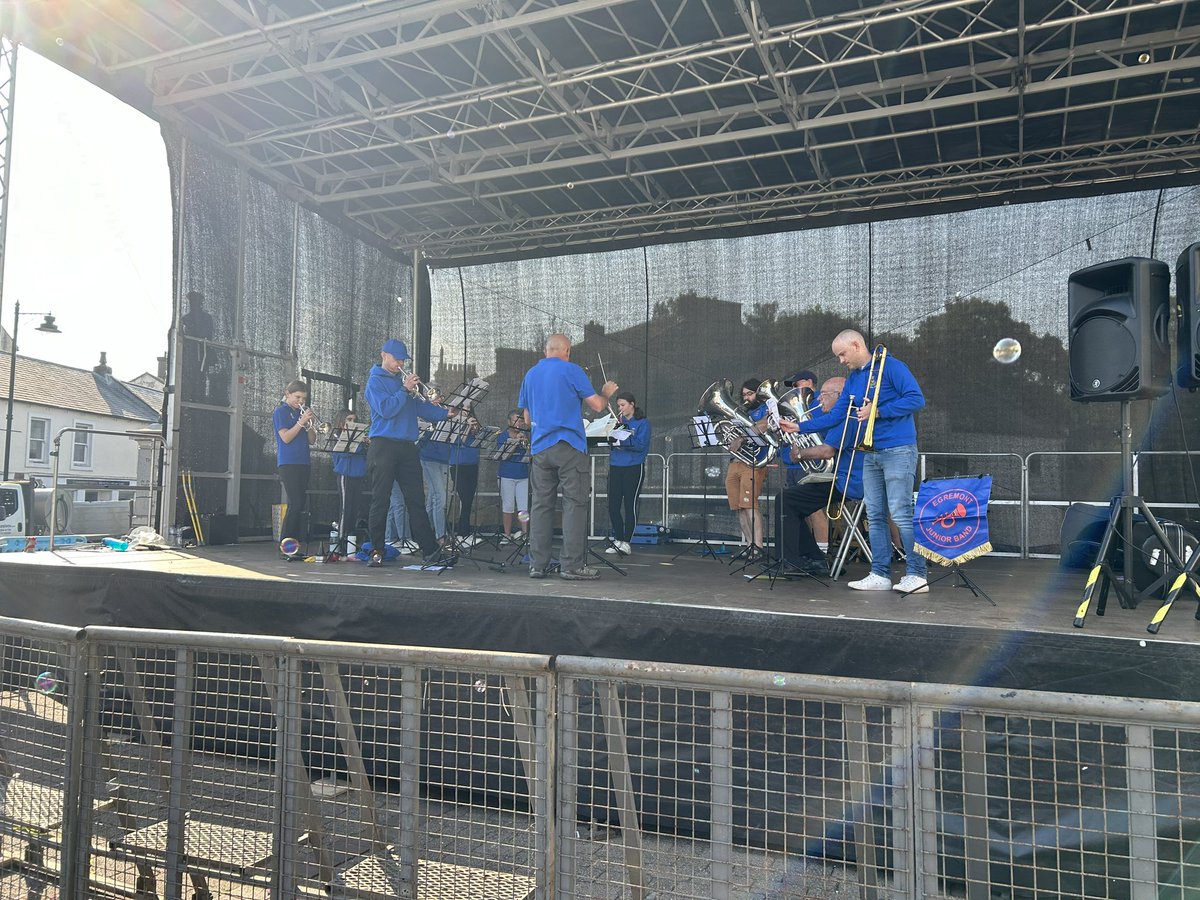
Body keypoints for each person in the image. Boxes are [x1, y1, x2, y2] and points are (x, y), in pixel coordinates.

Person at [794, 329, 927, 593]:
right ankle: (880, 573)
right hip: (868, 452)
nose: (841, 360)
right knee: (875, 515)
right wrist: (798, 428)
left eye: (842, 354)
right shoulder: (854, 378)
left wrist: (877, 411)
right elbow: (837, 416)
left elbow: (916, 399)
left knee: (900, 512)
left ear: (856, 345)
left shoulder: (892, 366)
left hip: (898, 448)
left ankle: (917, 574)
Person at [518, 333, 618, 581]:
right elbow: (596, 405)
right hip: (569, 446)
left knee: (541, 505)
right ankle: (571, 565)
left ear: (545, 350)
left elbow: (527, 419)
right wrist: (606, 392)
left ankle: (537, 565)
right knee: (574, 503)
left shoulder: (530, 374)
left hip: (540, 447)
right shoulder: (571, 370)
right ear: (567, 351)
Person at [365, 339, 454, 567]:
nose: (400, 363)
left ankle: (430, 550)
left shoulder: (403, 384)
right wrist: (404, 389)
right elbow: (386, 410)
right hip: (383, 445)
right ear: (384, 355)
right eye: (397, 358)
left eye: (403, 359)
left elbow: (420, 409)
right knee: (381, 500)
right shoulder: (375, 382)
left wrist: (446, 413)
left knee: (416, 500)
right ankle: (377, 551)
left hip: (407, 447)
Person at [778, 376, 852, 575]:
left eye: (825, 396)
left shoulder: (844, 417)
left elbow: (827, 452)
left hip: (845, 481)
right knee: (788, 500)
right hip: (841, 479)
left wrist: (800, 454)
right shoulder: (842, 416)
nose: (819, 400)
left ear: (840, 396)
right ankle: (812, 558)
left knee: (786, 500)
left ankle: (797, 561)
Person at [725, 378, 770, 558]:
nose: (746, 398)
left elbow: (765, 425)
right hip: (735, 462)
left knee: (750, 505)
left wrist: (742, 436)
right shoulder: (743, 412)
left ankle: (758, 546)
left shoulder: (766, 408)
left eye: (750, 394)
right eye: (744, 395)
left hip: (754, 462)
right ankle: (749, 544)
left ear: (758, 394)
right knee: (739, 507)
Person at [273, 379, 317, 558]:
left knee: (300, 504)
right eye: (297, 397)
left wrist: (309, 424)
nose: (301, 401)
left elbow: (312, 440)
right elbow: (285, 438)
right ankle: (286, 547)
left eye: (303, 398)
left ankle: (294, 547)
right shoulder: (281, 411)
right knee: (295, 502)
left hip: (303, 461)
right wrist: (300, 423)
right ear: (287, 394)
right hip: (288, 462)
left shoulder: (300, 412)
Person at [606, 391, 651, 556]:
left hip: (633, 466)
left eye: (623, 405)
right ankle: (618, 538)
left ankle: (626, 541)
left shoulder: (642, 423)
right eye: (618, 405)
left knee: (630, 504)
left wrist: (623, 439)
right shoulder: (617, 422)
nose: (620, 408)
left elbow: (641, 444)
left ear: (632, 404)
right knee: (613, 505)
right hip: (616, 466)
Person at [331, 408, 368, 556]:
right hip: (344, 474)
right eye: (349, 420)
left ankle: (350, 544)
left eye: (354, 420)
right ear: (341, 422)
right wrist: (361, 443)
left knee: (354, 509)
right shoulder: (337, 435)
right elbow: (348, 452)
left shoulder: (360, 437)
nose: (352, 422)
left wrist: (367, 443)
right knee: (345, 508)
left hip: (358, 474)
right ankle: (340, 541)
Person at [449, 414, 483, 545]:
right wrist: (467, 428)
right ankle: (461, 533)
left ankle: (464, 533)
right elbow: (460, 442)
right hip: (458, 466)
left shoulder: (474, 434)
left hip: (472, 466)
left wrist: (477, 430)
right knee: (465, 499)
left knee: (469, 501)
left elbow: (482, 442)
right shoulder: (455, 429)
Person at [497, 409, 531, 542]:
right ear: (509, 422)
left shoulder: (525, 435)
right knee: (508, 506)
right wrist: (514, 441)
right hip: (506, 475)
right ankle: (507, 534)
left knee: (523, 508)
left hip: (522, 475)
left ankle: (524, 533)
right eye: (516, 420)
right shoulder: (502, 436)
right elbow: (504, 456)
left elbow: (529, 457)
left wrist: (527, 446)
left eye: (521, 420)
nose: (519, 423)